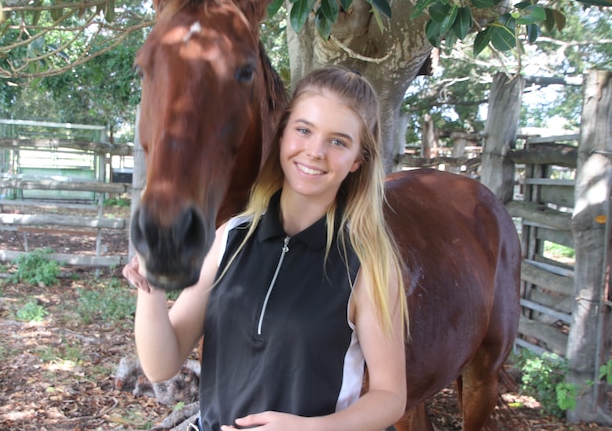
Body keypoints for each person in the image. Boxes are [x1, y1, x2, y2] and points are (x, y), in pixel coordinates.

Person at [124, 66, 408, 431]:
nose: (315, 151)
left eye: (338, 141)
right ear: (284, 133)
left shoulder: (367, 263)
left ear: (357, 160)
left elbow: (390, 396)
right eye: (304, 130)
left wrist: (308, 429)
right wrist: (152, 284)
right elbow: (161, 363)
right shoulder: (232, 235)